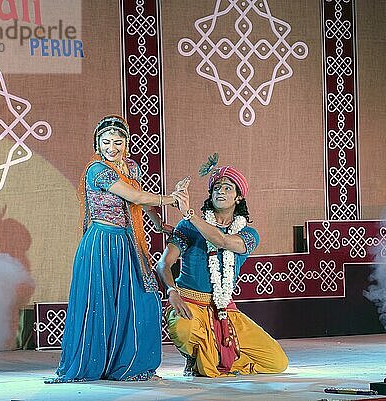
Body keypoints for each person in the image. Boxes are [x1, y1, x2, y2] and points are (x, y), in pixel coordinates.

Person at [47, 115, 186, 383]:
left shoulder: (131, 168)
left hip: (127, 241)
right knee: (101, 305)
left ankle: (132, 365)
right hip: (101, 243)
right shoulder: (97, 170)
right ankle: (92, 366)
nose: (112, 147)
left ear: (127, 143)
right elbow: (132, 196)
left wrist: (158, 223)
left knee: (139, 300)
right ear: (97, 144)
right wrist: (172, 199)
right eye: (106, 141)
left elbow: (140, 202)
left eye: (118, 141)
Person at [156, 161, 289, 377]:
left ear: (238, 197)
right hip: (189, 303)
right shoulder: (188, 228)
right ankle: (198, 358)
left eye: (228, 188)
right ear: (210, 195)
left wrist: (189, 213)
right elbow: (163, 264)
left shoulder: (248, 234)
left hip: (224, 310)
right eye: (216, 187)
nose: (221, 191)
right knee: (183, 329)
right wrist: (172, 292)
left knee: (277, 362)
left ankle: (214, 361)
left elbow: (223, 242)